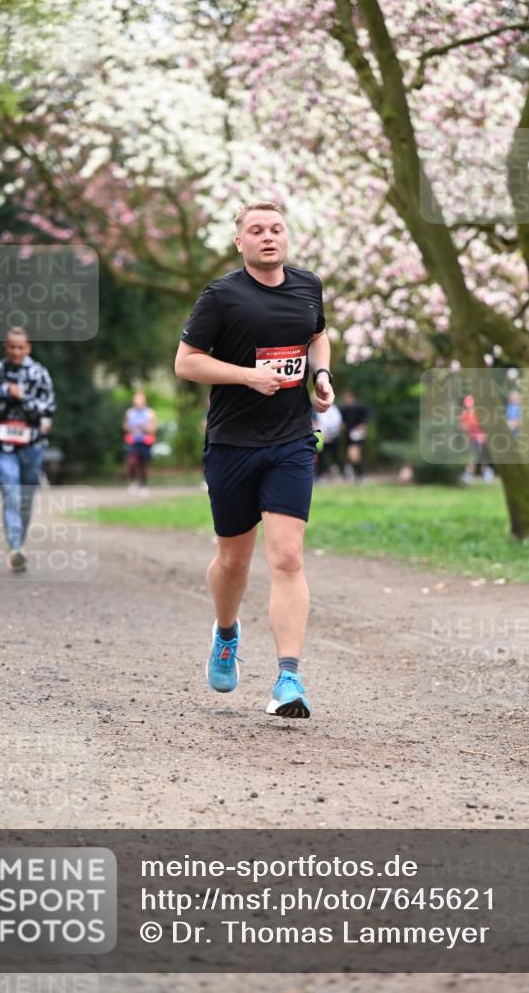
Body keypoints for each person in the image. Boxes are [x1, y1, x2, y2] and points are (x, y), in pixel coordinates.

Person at [174, 200, 334, 719]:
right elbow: (186, 363)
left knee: (287, 557)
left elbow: (317, 335)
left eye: (276, 229)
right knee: (234, 560)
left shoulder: (308, 286)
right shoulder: (221, 297)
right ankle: (226, 633)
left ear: (287, 236)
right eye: (256, 230)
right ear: (239, 241)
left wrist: (321, 376)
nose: (268, 237)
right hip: (232, 445)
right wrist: (247, 376)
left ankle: (289, 678)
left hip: (291, 441)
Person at [0, 327, 56, 573]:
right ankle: (16, 548)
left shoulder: (39, 373)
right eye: (12, 347)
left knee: (26, 498)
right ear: (5, 347)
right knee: (11, 492)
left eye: (21, 347)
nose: (16, 351)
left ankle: (20, 541)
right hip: (1, 442)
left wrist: (21, 397)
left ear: (28, 348)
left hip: (32, 443)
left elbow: (48, 409)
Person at [123, 391, 156, 496]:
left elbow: (153, 428)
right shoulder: (130, 412)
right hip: (133, 441)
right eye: (136, 399)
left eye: (139, 400)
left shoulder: (149, 413)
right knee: (132, 462)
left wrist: (144, 427)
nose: (137, 402)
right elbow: (125, 426)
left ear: (144, 401)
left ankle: (143, 486)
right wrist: (131, 428)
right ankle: (133, 482)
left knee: (143, 465)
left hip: (145, 441)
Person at [459, 394, 494, 483]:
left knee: (482, 458)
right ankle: (469, 475)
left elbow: (485, 425)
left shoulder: (479, 413)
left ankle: (486, 474)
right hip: (471, 438)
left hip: (481, 438)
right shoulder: (465, 414)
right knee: (472, 458)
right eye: (468, 404)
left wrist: (484, 435)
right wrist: (465, 427)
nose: (470, 405)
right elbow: (462, 427)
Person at [340, 390, 369, 481]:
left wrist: (363, 425)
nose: (346, 400)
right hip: (348, 436)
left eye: (347, 398)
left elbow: (367, 416)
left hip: (357, 435)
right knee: (352, 456)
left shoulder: (359, 408)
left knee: (353, 453)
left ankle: (360, 474)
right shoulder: (343, 410)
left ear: (352, 398)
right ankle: (356, 473)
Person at [315, 403, 344, 479]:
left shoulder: (334, 409)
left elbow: (338, 423)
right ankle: (320, 475)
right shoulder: (316, 409)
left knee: (335, 456)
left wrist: (332, 434)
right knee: (321, 456)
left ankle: (343, 473)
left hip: (333, 436)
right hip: (321, 436)